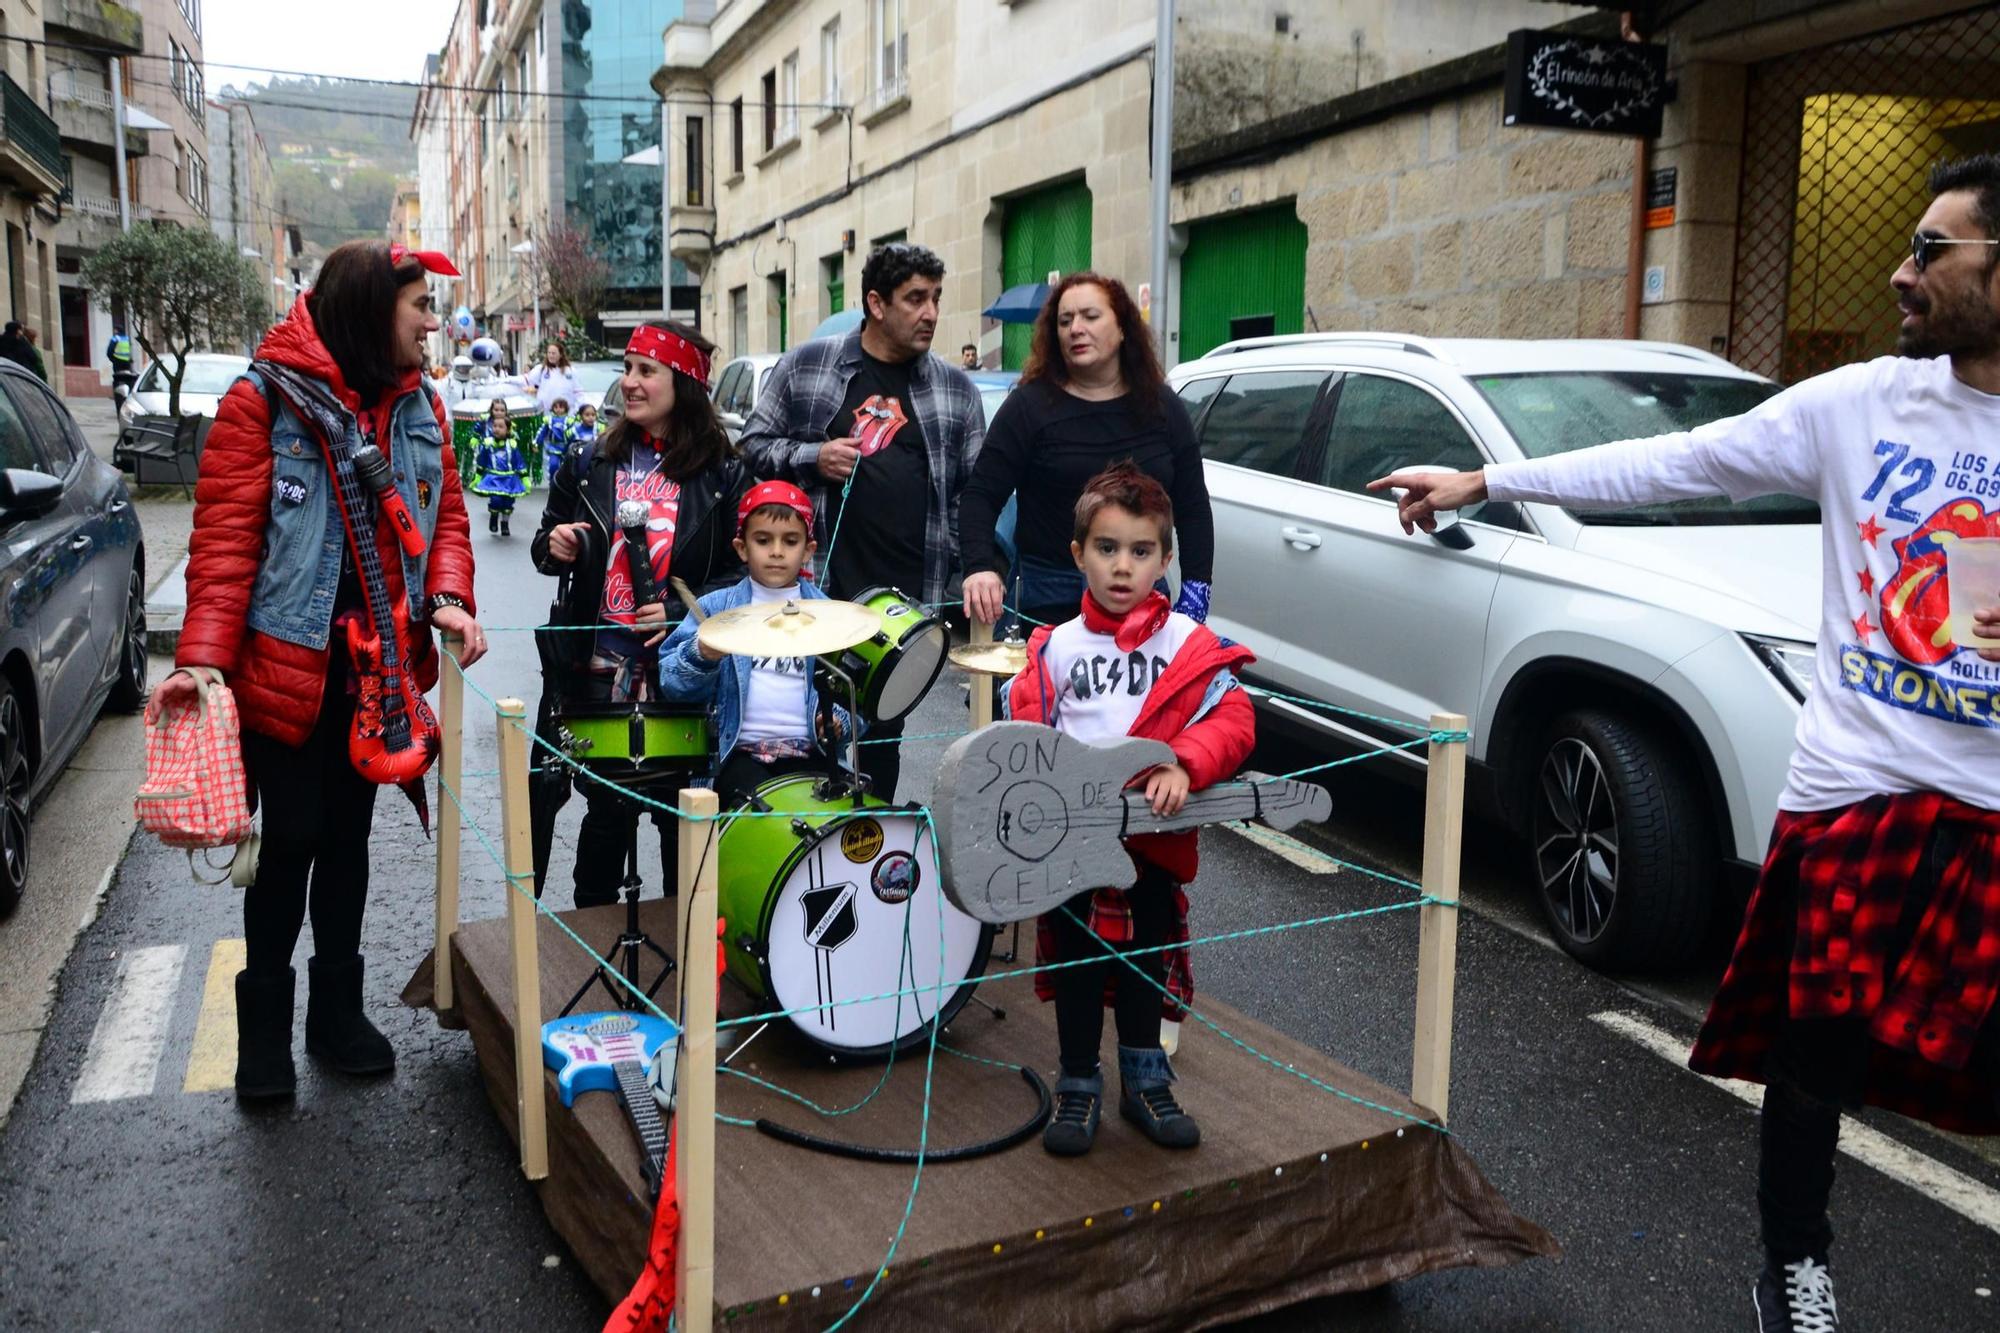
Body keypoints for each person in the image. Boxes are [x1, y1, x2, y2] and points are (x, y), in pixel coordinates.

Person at [1376, 154, 2000, 1333]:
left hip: (1989, 807)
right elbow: (1667, 464)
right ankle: (1792, 1266)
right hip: (1854, 787)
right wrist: (1482, 477)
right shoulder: (1856, 404)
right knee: (1814, 1047)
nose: (1897, 271)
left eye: (1929, 250)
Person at [151, 238, 485, 1102]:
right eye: (420, 310)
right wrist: (202, 666)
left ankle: (335, 1013)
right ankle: (261, 1032)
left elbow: (446, 516)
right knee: (290, 841)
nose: (432, 327)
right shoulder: (260, 404)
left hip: (377, 672)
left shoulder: (422, 407)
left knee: (348, 843)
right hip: (285, 672)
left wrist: (448, 593)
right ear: (374, 312)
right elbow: (223, 549)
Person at [1003, 464, 1254, 1156]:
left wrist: (1185, 762)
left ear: (1165, 559)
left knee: (1147, 958)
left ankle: (1145, 1079)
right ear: (1077, 552)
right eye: (1107, 548)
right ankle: (1078, 1081)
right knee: (1080, 963)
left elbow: (1233, 717)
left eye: (1142, 552)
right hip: (1073, 846)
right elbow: (1026, 733)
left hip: (1153, 843)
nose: (1123, 567)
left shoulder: (1188, 644)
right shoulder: (1052, 648)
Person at [739, 242, 985, 800]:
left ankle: (864, 864)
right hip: (816, 592)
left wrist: (974, 571)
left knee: (881, 741)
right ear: (876, 303)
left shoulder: (955, 389)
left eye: (936, 299)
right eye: (915, 299)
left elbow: (974, 498)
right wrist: (812, 457)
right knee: (803, 735)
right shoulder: (809, 365)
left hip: (905, 607)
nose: (931, 313)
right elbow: (751, 445)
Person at [530, 322, 747, 908]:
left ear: (684, 383)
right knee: (604, 812)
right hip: (599, 671)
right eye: (627, 368)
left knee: (684, 819)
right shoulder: (590, 460)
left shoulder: (725, 473)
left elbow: (740, 577)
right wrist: (557, 545)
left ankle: (686, 961)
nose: (629, 383)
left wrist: (679, 610)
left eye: (646, 371)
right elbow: (543, 544)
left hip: (687, 672)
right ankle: (594, 956)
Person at [959, 272, 1215, 633]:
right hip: (1048, 598)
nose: (1075, 328)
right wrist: (979, 567)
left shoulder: (1162, 407)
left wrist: (1196, 589)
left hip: (1143, 597)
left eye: (1090, 317)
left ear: (1123, 327)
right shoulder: (1028, 407)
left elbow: (1193, 506)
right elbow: (980, 496)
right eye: (1065, 321)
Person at [657, 481, 855, 806]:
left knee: (826, 822)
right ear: (742, 548)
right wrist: (702, 655)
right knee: (759, 813)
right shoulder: (715, 608)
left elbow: (853, 697)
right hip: (737, 753)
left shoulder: (830, 614)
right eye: (763, 540)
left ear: (808, 550)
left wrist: (838, 723)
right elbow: (673, 684)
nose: (776, 551)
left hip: (811, 752)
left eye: (790, 541)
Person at [470, 401, 527, 536]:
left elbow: (518, 462)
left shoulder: (512, 445)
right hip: (494, 478)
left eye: (500, 427)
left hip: (509, 478)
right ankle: (494, 518)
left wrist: (524, 478)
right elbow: (482, 461)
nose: (496, 429)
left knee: (508, 502)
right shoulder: (488, 444)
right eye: (494, 426)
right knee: (496, 500)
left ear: (508, 429)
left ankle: (505, 524)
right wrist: (478, 476)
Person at [527, 339, 581, 416]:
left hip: (567, 414)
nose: (551, 355)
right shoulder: (541, 369)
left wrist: (577, 409)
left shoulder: (570, 371)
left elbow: (578, 392)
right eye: (549, 353)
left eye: (554, 353)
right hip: (547, 413)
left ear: (561, 355)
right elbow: (531, 382)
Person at [537, 395, 576, 479]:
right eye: (556, 407)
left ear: (566, 408)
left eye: (561, 407)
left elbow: (574, 434)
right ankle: (553, 483)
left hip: (566, 447)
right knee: (553, 465)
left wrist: (574, 445)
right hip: (553, 447)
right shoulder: (549, 420)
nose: (558, 409)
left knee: (567, 467)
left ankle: (564, 486)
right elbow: (542, 432)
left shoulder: (570, 420)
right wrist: (536, 443)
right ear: (553, 408)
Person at [106, 324, 135, 391]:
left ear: (117, 330)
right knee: (127, 378)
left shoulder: (115, 338)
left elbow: (109, 351)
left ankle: (117, 393)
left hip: (117, 361)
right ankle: (129, 391)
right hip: (126, 362)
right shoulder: (127, 338)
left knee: (117, 378)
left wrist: (112, 359)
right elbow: (129, 350)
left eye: (115, 330)